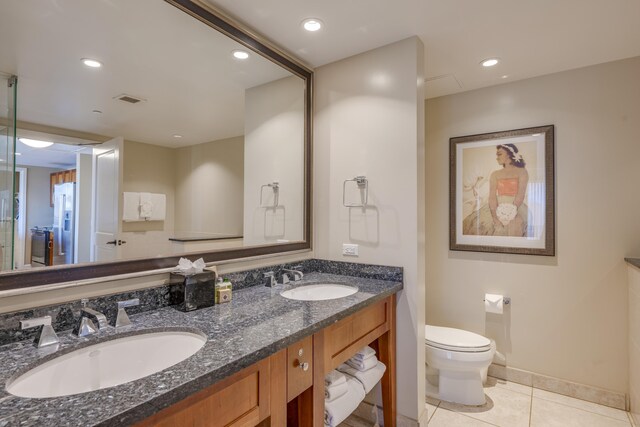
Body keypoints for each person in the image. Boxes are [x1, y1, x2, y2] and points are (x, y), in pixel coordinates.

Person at [463, 143, 529, 237]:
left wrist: (509, 212)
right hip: (496, 205)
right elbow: (492, 197)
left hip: (517, 206)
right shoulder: (495, 174)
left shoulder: (522, 172)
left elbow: (520, 195)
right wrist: (495, 218)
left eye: (499, 154)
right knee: (482, 225)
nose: (497, 157)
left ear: (509, 154)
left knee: (516, 224)